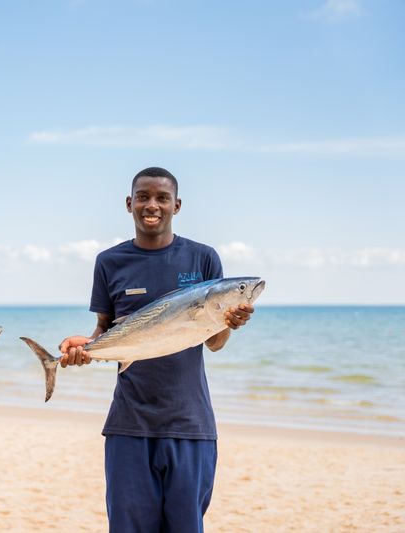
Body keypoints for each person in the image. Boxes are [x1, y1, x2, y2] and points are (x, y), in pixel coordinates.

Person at [60, 167, 254, 533]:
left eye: (162, 198)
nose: (153, 205)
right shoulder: (109, 262)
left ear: (176, 205)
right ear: (128, 203)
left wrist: (229, 322)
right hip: (128, 423)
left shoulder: (203, 259)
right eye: (144, 197)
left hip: (190, 423)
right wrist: (84, 349)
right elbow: (105, 332)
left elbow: (213, 342)